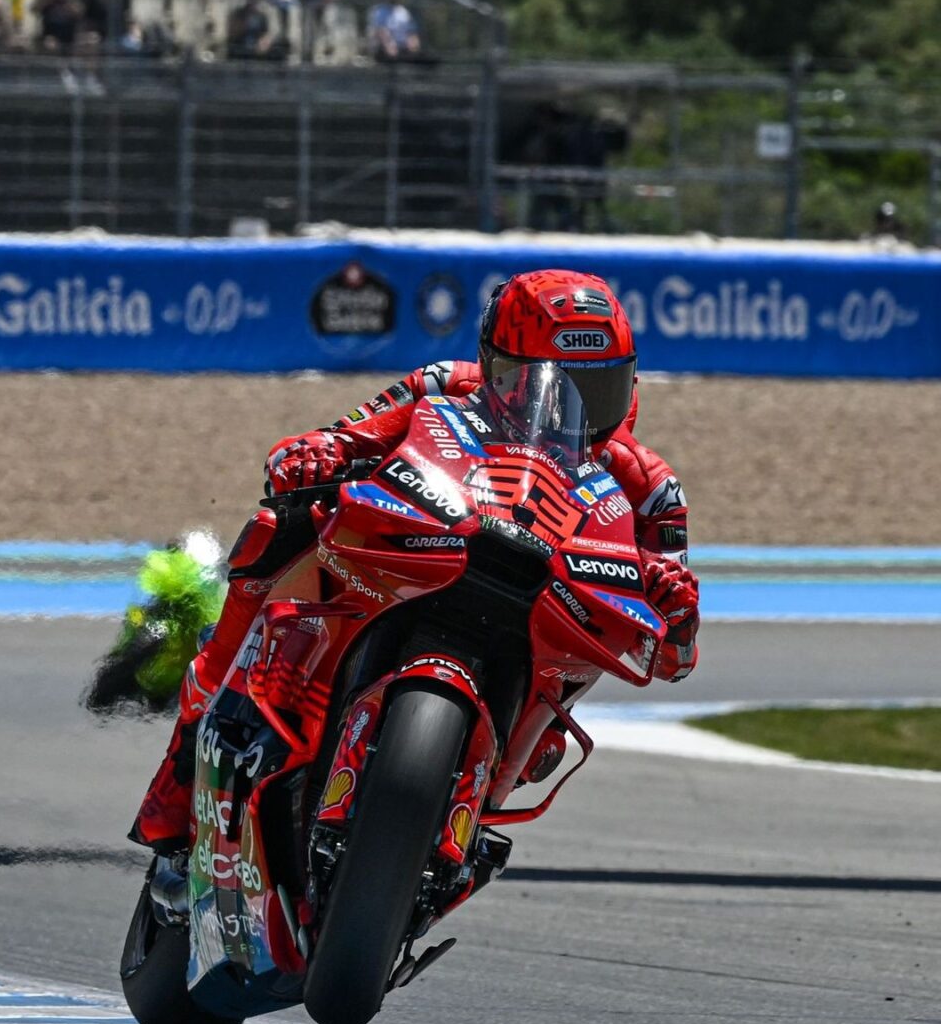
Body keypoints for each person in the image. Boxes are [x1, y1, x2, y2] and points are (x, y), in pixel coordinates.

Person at [127, 269, 700, 861]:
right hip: (429, 552)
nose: (569, 411)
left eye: (598, 390)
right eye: (546, 388)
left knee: (550, 745)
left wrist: (673, 607)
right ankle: (186, 758)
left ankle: (454, 822)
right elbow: (339, 439)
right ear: (495, 365)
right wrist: (318, 453)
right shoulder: (442, 385)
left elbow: (674, 656)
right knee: (281, 528)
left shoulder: (652, 489)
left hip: (543, 637)